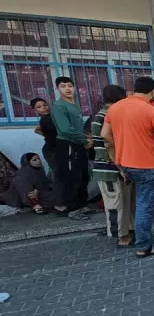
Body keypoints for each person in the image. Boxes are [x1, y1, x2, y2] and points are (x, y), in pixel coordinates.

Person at [102, 77, 154, 258]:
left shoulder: (114, 108)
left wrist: (121, 149)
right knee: (145, 205)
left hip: (125, 164)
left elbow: (105, 135)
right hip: (146, 164)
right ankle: (143, 245)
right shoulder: (151, 111)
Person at [90, 85, 136, 246]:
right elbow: (109, 144)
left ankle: (129, 231)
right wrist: (121, 167)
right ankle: (121, 237)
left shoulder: (106, 114)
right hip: (110, 169)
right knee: (115, 205)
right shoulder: (105, 116)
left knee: (126, 203)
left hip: (117, 167)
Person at [51, 76, 92, 218]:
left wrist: (86, 138)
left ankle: (82, 205)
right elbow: (65, 129)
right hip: (68, 144)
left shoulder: (74, 105)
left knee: (83, 175)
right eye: (63, 86)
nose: (67, 89)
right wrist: (84, 140)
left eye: (70, 86)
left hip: (78, 143)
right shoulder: (58, 106)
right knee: (72, 176)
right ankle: (73, 208)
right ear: (57, 89)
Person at [1, 153, 65, 214]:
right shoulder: (22, 173)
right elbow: (22, 187)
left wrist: (38, 191)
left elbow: (46, 184)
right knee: (20, 180)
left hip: (38, 193)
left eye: (39, 159)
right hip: (21, 197)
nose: (38, 161)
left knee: (58, 194)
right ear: (27, 162)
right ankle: (35, 205)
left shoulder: (40, 170)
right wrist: (33, 192)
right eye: (34, 160)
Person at [31, 98, 62, 192]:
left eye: (45, 105)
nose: (43, 108)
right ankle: (59, 202)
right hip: (51, 151)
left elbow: (48, 134)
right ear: (35, 111)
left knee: (56, 174)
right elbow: (56, 135)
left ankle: (48, 192)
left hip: (55, 150)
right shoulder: (45, 120)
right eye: (39, 107)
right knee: (58, 176)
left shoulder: (51, 117)